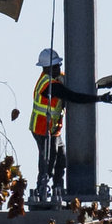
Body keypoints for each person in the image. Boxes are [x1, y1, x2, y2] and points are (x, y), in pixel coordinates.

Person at [29, 49, 67, 203]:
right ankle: (42, 189)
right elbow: (73, 96)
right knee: (48, 160)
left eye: (59, 65)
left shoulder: (57, 79)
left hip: (53, 129)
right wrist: (99, 98)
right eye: (56, 66)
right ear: (47, 68)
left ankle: (58, 187)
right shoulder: (49, 84)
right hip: (42, 128)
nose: (59, 69)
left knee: (61, 158)